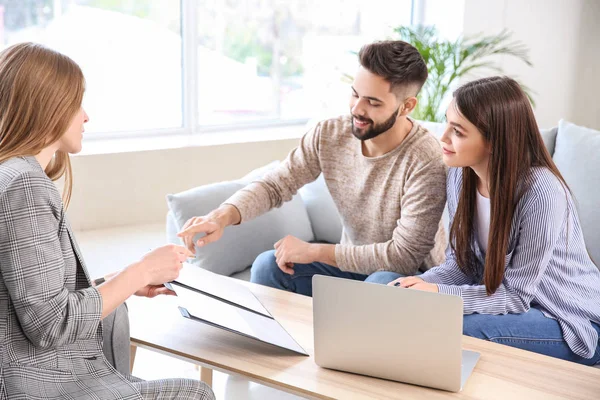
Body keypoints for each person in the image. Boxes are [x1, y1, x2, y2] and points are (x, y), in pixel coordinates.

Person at [0, 43, 215, 399]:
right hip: (42, 387)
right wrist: (141, 271)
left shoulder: (12, 176)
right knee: (197, 394)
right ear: (48, 107)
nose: (85, 117)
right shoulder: (24, 184)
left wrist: (122, 282)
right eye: (77, 103)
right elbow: (48, 325)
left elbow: (32, 297)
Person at [178, 40, 447, 297]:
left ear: (406, 106)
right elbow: (276, 184)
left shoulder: (425, 158)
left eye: (373, 103)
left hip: (408, 278)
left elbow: (403, 256)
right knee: (268, 266)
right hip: (350, 266)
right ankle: (282, 344)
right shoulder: (330, 134)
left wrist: (315, 252)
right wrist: (220, 216)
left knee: (379, 285)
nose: (357, 108)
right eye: (355, 94)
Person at [387, 76, 600, 366]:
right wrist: (418, 286)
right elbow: (460, 267)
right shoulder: (460, 175)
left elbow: (515, 295)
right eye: (446, 123)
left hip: (567, 317)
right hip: (499, 302)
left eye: (458, 131)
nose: (444, 137)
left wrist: (436, 292)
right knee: (381, 286)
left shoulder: (542, 192)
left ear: (493, 141)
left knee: (459, 330)